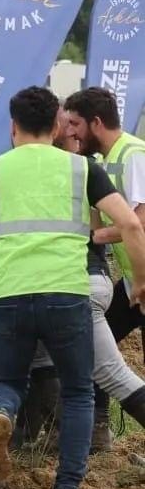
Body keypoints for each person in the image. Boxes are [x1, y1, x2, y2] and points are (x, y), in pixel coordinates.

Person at [0, 86, 145, 489]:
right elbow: (132, 224)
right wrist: (140, 282)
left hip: (8, 294)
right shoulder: (80, 169)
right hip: (67, 291)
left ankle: (1, 414)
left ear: (12, 125)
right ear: (58, 126)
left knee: (6, 381)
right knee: (78, 391)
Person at [60, 87, 145, 439]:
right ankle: (98, 433)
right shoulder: (106, 159)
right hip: (131, 281)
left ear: (96, 122)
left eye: (76, 124)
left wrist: (90, 236)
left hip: (140, 281)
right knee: (92, 347)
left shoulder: (133, 155)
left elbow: (139, 221)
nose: (72, 132)